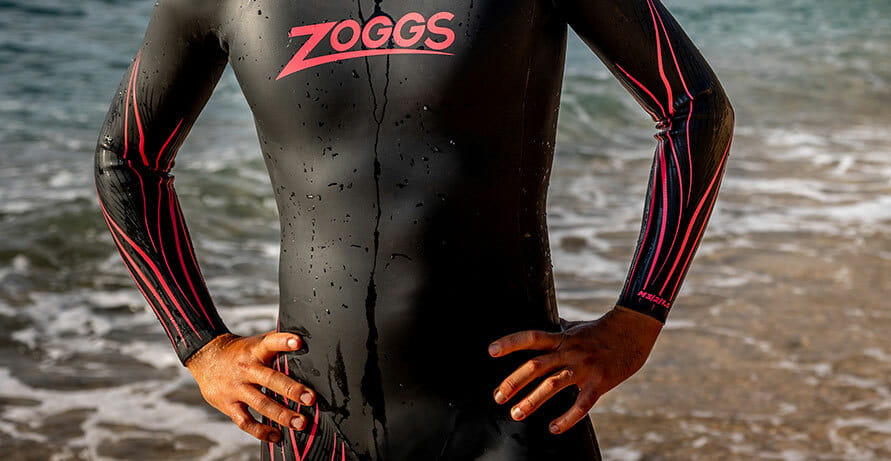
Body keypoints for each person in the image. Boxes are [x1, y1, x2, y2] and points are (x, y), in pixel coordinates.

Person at [94, 0, 734, 459]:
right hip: (318, 424)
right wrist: (202, 346)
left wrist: (636, 321)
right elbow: (127, 159)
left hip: (510, 417)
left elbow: (695, 108)